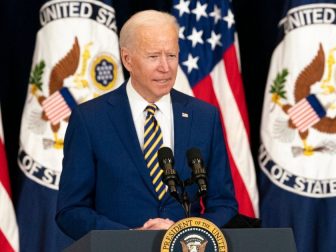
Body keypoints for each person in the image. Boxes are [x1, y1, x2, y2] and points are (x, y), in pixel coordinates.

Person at [56, 10, 237, 240]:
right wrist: (131, 237)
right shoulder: (90, 119)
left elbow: (223, 204)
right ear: (127, 59)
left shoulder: (204, 117)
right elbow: (70, 210)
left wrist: (185, 233)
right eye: (153, 57)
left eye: (171, 55)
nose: (166, 67)